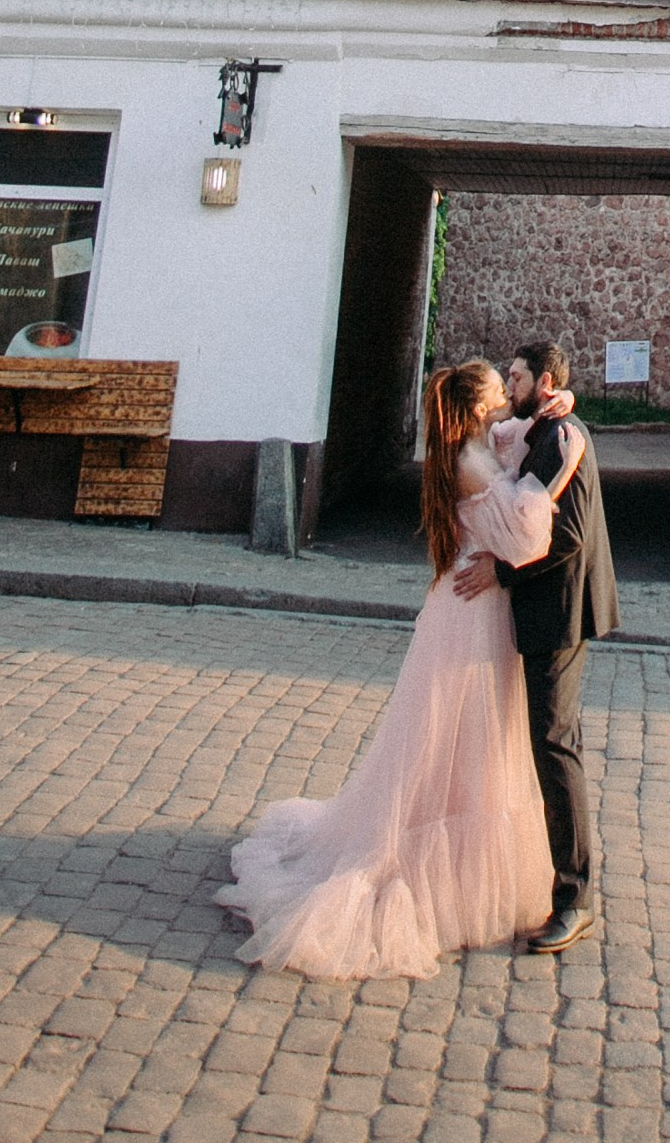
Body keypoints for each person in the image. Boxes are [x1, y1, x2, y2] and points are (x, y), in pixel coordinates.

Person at [215, 359, 585, 976]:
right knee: (447, 740)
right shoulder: (469, 463)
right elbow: (525, 536)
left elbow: (522, 432)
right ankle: (412, 865)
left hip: (475, 609)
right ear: (475, 407)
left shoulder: (476, 442)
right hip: (472, 616)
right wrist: (560, 470)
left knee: (473, 741)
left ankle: (456, 852)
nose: (506, 397)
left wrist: (560, 399)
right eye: (499, 389)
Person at [456, 338, 619, 954]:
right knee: (547, 740)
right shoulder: (543, 429)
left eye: (518, 376)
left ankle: (576, 898)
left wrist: (501, 572)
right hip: (545, 607)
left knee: (554, 744)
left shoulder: (562, 437)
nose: (510, 383)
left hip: (561, 610)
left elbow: (569, 535)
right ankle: (564, 881)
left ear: (543, 381)